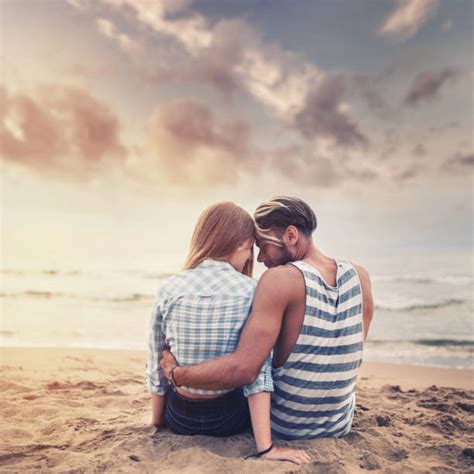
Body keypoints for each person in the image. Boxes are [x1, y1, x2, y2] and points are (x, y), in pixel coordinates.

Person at [161, 196, 374, 440]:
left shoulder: (280, 279)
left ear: (291, 236)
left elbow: (243, 370)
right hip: (338, 423)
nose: (260, 258)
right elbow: (346, 355)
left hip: (286, 425)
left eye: (263, 245)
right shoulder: (360, 276)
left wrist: (176, 373)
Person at [145, 202, 310, 464]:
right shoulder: (252, 291)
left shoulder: (169, 288)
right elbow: (258, 372)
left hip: (179, 418)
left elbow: (156, 359)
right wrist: (265, 448)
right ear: (243, 244)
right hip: (228, 419)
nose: (250, 259)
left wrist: (158, 421)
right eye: (250, 249)